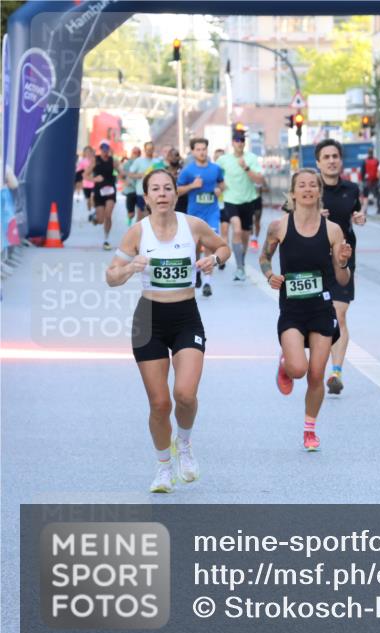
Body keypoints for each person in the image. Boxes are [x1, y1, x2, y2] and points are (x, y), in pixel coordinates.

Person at [105, 169, 231, 492]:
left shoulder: (193, 226)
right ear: (146, 197)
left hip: (186, 316)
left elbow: (223, 248)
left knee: (185, 395)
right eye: (155, 190)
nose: (162, 194)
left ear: (176, 194)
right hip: (149, 319)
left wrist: (214, 260)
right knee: (160, 403)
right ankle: (163, 467)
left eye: (167, 188)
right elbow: (111, 276)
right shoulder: (137, 232)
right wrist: (129, 268)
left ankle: (184, 444)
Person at [260, 169, 353, 451]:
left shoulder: (333, 230)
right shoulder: (279, 227)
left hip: (321, 308)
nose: (308, 189)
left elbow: (342, 280)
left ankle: (309, 430)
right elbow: (264, 256)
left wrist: (342, 262)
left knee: (315, 375)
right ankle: (285, 365)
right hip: (292, 309)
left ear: (319, 192)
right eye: (302, 185)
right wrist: (269, 275)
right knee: (298, 369)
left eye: (313, 185)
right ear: (293, 193)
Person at [314, 139, 366, 396]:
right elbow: (289, 216)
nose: (332, 161)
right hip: (314, 259)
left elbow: (356, 212)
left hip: (343, 258)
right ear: (318, 162)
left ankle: (336, 372)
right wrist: (312, 216)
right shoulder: (310, 188)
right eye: (326, 157)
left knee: (340, 314)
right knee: (315, 318)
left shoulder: (351, 189)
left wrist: (360, 217)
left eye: (335, 156)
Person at [177, 138, 225, 297]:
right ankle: (197, 272)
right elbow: (177, 191)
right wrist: (192, 186)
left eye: (204, 149)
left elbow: (222, 184)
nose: (201, 152)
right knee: (195, 246)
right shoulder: (188, 171)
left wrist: (219, 190)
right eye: (198, 149)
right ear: (192, 151)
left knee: (210, 245)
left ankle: (207, 282)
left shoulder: (216, 169)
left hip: (212, 212)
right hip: (194, 214)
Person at [216, 129, 265, 281]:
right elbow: (215, 175)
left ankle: (241, 262)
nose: (240, 143)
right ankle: (239, 268)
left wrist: (246, 168)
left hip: (248, 201)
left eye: (242, 140)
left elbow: (260, 180)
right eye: (237, 140)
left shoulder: (251, 158)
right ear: (232, 143)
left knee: (244, 237)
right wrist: (218, 187)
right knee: (236, 230)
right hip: (230, 200)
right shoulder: (223, 160)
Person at [92, 141, 119, 250]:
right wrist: (95, 179)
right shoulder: (95, 160)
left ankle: (106, 238)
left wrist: (125, 176)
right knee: (101, 220)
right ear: (100, 150)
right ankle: (95, 218)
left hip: (110, 190)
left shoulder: (113, 160)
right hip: (99, 191)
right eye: (103, 150)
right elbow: (85, 175)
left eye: (107, 150)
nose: (105, 152)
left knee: (108, 215)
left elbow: (120, 171)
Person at [129, 142, 156, 221]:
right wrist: (141, 175)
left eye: (151, 148)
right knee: (142, 215)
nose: (150, 150)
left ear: (153, 149)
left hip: (154, 192)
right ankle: (139, 228)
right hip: (142, 192)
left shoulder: (157, 161)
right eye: (148, 149)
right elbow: (130, 174)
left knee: (151, 215)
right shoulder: (139, 161)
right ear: (144, 150)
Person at [121, 146, 141, 227]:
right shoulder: (127, 164)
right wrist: (125, 182)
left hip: (140, 190)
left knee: (141, 211)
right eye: (134, 152)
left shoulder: (142, 162)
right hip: (130, 190)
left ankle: (138, 227)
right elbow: (121, 175)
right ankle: (129, 219)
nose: (136, 154)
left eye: (138, 153)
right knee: (131, 214)